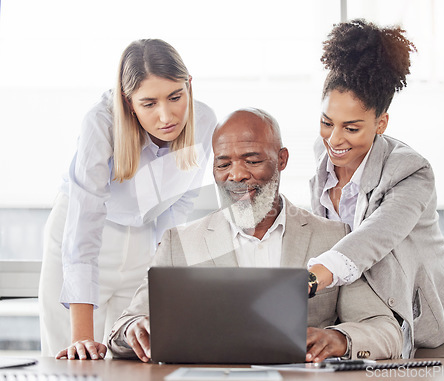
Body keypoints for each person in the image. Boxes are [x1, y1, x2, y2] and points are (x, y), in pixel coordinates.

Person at [107, 108, 403, 363]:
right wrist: (133, 330)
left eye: (251, 160)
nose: (236, 175)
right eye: (223, 164)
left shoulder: (333, 237)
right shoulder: (179, 243)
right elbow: (123, 329)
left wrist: (340, 338)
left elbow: (385, 330)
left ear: (282, 159)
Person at [307, 19, 444, 358]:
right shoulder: (322, 152)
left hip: (438, 322)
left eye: (352, 128)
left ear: (380, 123)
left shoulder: (411, 171)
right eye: (327, 122)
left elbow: (376, 235)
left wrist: (312, 277)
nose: (335, 139)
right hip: (375, 322)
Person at [38, 39, 217, 360]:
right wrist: (80, 338)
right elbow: (84, 223)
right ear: (128, 101)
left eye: (175, 97)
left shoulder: (204, 121)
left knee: (133, 357)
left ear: (189, 85)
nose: (167, 116)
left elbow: (180, 206)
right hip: (81, 236)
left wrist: (161, 278)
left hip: (143, 238)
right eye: (149, 103)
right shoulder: (101, 123)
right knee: (71, 361)